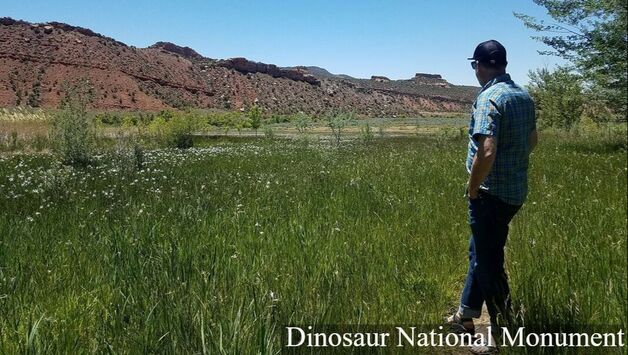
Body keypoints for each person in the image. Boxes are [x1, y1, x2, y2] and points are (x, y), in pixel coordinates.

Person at [445, 39, 538, 352]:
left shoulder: (489, 98)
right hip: (514, 191)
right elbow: (532, 139)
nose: (475, 70)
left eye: (474, 65)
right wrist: (512, 162)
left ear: (480, 66)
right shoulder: (522, 95)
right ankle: (466, 315)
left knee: (489, 261)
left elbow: (486, 150)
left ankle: (502, 330)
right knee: (480, 251)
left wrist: (473, 188)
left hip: (490, 194)